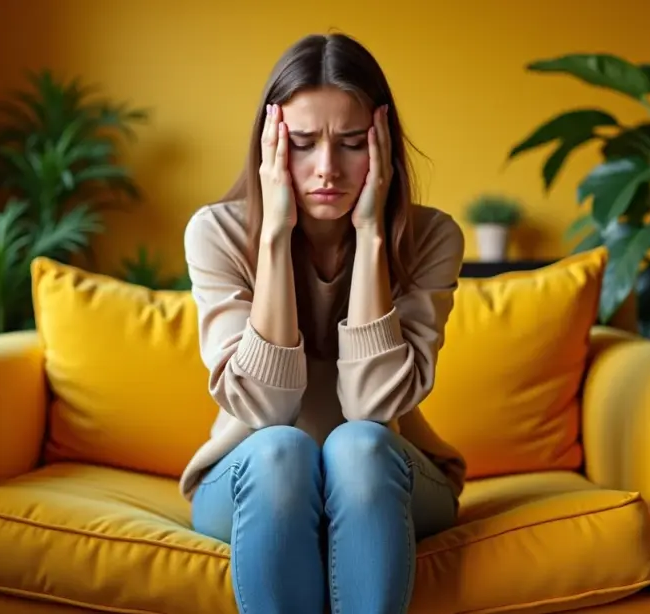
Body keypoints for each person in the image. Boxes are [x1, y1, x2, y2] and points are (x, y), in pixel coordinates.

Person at [179, 32, 467, 614]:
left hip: (388, 476)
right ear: (270, 146)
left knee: (358, 446)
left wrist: (372, 236)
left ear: (384, 146)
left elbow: (371, 406)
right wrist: (274, 238)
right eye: (303, 143)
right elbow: (264, 412)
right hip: (251, 477)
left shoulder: (432, 237)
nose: (327, 169)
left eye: (354, 143)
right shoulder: (215, 233)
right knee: (281, 452)